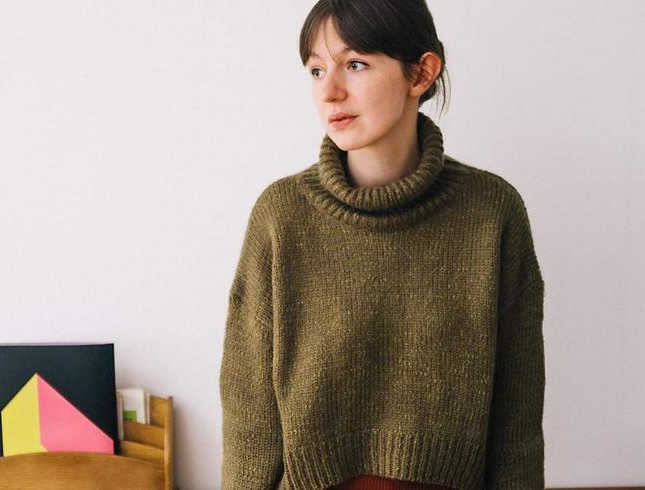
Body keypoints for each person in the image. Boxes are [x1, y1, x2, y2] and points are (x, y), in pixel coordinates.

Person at [220, 1, 546, 489]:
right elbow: (250, 410)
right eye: (315, 69)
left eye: (355, 64)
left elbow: (517, 409)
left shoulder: (491, 211)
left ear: (421, 72)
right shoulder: (281, 215)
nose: (329, 92)